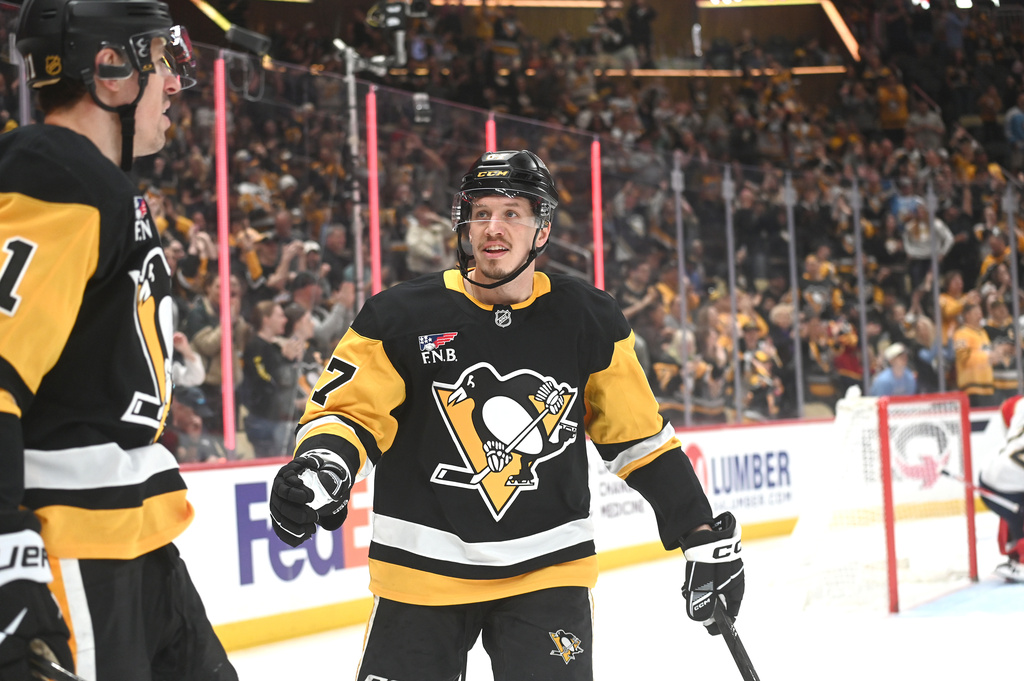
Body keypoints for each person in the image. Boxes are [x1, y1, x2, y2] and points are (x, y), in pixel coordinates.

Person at [268, 150, 745, 680]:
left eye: (512, 213)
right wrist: (324, 467)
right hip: (421, 574)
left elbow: (640, 440)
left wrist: (700, 530)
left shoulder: (587, 318)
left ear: (541, 230)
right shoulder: (399, 315)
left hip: (547, 574)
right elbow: (348, 414)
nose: (493, 227)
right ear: (465, 226)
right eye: (481, 213)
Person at [0, 0, 237, 679]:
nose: (173, 84)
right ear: (110, 68)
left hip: (137, 535)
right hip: (71, 538)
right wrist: (6, 552)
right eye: (161, 62)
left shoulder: (99, 184)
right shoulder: (50, 171)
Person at [978, 395, 1024, 582]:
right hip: (1009, 482)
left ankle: (1014, 549)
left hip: (988, 476)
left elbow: (1007, 407)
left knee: (1016, 511)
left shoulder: (1020, 403)